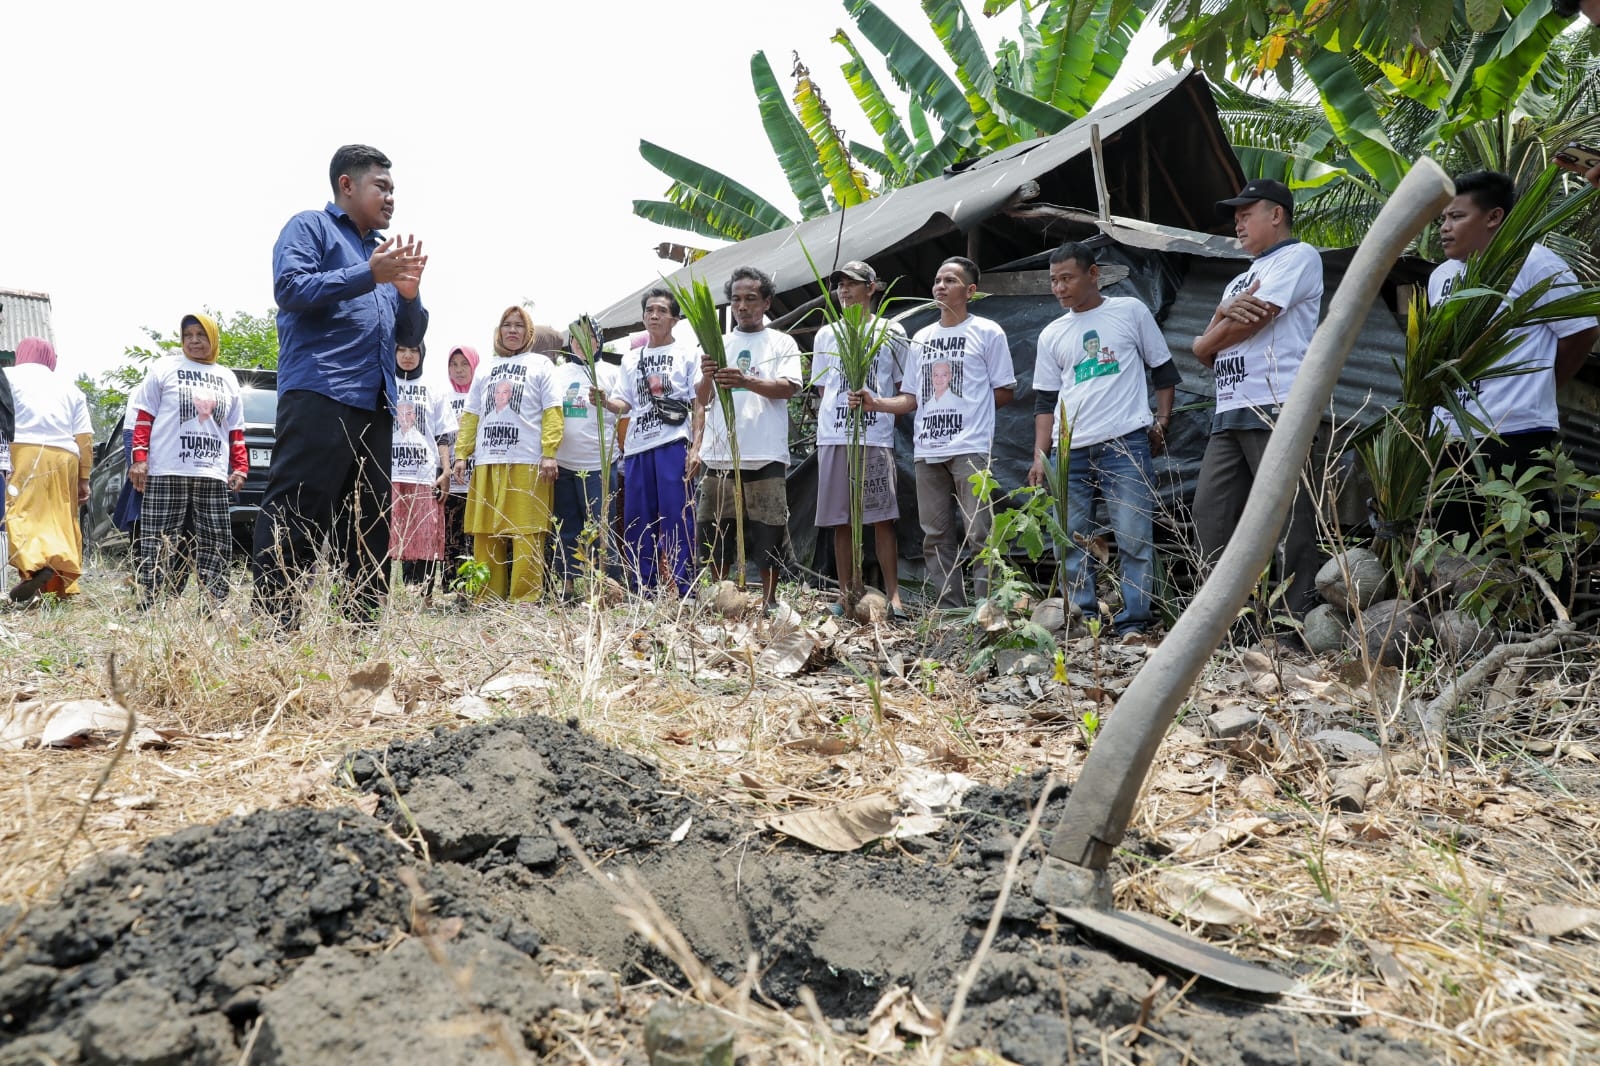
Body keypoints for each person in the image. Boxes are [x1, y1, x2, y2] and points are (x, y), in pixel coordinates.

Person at [251, 143, 428, 630]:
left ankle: (360, 629)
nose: (391, 198)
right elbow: (290, 288)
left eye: (394, 189)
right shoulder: (310, 227)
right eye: (381, 187)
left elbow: (410, 337)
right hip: (320, 391)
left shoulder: (384, 256)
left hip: (377, 403)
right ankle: (274, 624)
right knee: (297, 510)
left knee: (369, 522)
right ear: (347, 185)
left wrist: (408, 296)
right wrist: (368, 275)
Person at [1429, 170, 1598, 540]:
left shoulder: (1536, 263)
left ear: (1493, 217)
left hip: (1514, 432)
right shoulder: (1440, 277)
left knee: (1519, 544)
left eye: (1457, 216)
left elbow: (1581, 331)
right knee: (1451, 546)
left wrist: (1546, 384)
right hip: (1450, 435)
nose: (1444, 227)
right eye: (1443, 218)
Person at [1027, 243, 1181, 640]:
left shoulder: (1130, 312)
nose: (1059, 288)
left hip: (1124, 444)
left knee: (1133, 536)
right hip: (1068, 452)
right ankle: (1083, 621)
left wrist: (1162, 421)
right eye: (1053, 280)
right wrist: (1041, 455)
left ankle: (1134, 622)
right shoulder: (1052, 333)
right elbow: (1045, 401)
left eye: (1067, 278)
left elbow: (1164, 371)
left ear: (1093, 274)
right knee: (1071, 541)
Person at [1192, 178, 1325, 622]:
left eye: (1246, 214)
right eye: (1236, 217)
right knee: (1211, 513)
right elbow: (1212, 351)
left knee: (1288, 518)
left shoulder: (1298, 257)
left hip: (1277, 404)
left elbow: (1252, 321)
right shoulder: (1237, 280)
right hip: (1229, 407)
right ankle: (1224, 622)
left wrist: (1204, 340)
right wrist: (1216, 324)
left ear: (1277, 214)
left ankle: (1294, 622)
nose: (1238, 223)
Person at [855, 256, 1016, 609]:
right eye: (938, 280)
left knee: (980, 531)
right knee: (935, 534)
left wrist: (970, 412)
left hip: (970, 446)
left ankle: (987, 611)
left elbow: (1004, 391)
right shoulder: (922, 338)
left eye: (950, 280)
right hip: (927, 449)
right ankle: (950, 611)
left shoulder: (987, 332)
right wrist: (876, 403)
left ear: (970, 291)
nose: (940, 286)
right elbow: (911, 398)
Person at [694, 266, 803, 610]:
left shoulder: (781, 342)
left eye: (751, 299)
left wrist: (746, 381)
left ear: (766, 302)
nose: (742, 306)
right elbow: (702, 399)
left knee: (769, 529)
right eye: (736, 299)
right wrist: (706, 377)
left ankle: (769, 601)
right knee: (716, 530)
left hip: (764, 452)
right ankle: (721, 598)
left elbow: (788, 388)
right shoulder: (717, 344)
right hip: (719, 453)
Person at [127, 313, 247, 609]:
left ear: (213, 338)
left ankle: (214, 606)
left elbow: (235, 429)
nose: (194, 341)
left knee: (216, 541)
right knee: (157, 538)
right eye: (188, 335)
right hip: (167, 469)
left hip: (212, 473)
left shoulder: (227, 377)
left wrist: (240, 467)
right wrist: (139, 458)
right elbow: (144, 416)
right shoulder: (164, 367)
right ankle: (151, 603)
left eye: (201, 335)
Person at [810, 260, 907, 618]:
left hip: (875, 435)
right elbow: (824, 388)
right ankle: (846, 593)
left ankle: (894, 596)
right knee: (841, 519)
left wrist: (876, 411)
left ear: (871, 288)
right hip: (835, 435)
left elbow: (902, 387)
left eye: (852, 283)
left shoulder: (891, 330)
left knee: (882, 518)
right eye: (840, 285)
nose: (844, 290)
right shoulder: (827, 334)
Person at [594, 288, 702, 598]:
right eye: (649, 310)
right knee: (638, 520)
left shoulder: (687, 353)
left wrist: (695, 448)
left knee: (677, 516)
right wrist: (605, 401)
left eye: (661, 310)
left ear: (675, 319)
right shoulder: (631, 359)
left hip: (673, 443)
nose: (654, 315)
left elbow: (698, 403)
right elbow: (624, 404)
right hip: (638, 447)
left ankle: (685, 589)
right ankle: (645, 590)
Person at [451, 309, 562, 601]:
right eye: (507, 325)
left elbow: (553, 411)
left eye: (519, 326)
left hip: (527, 461)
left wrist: (549, 453)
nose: (512, 330)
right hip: (487, 461)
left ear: (529, 333)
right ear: (499, 331)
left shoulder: (541, 364)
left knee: (527, 532)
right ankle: (488, 598)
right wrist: (461, 453)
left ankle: (524, 600)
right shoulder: (486, 368)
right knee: (485, 532)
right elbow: (472, 414)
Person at [3, 338, 93, 601]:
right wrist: (84, 478)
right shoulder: (70, 387)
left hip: (20, 451)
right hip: (64, 457)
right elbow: (84, 437)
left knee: (20, 514)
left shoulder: (7, 377)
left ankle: (32, 569)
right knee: (59, 521)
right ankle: (56, 589)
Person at [548, 318, 622, 598]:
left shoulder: (611, 372)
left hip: (598, 464)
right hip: (564, 464)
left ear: (598, 340)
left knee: (601, 527)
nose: (581, 342)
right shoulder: (557, 374)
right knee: (566, 526)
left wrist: (607, 402)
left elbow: (625, 409)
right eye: (575, 337)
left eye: (588, 336)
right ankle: (567, 586)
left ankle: (606, 587)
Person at [389, 341, 457, 604]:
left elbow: (442, 434)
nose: (407, 356)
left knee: (425, 534)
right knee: (386, 534)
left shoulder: (434, 387)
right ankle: (380, 592)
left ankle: (422, 591)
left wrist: (446, 470)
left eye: (414, 350)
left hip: (424, 474)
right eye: (401, 350)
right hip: (389, 473)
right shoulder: (385, 381)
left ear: (422, 354)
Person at [442, 344, 479, 580]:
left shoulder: (482, 394)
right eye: (454, 364)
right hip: (451, 480)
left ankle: (476, 583)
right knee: (450, 532)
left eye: (465, 364)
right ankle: (452, 583)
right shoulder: (443, 397)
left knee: (475, 533)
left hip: (477, 478)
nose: (459, 369)